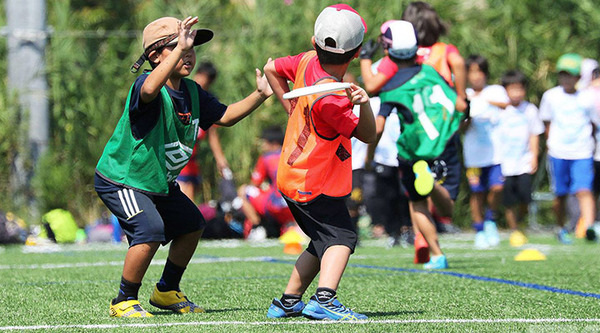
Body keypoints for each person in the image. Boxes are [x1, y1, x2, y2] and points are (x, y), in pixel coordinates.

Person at [94, 16, 272, 317]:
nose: (188, 52)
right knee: (148, 229)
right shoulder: (147, 86)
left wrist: (260, 94)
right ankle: (123, 300)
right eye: (178, 46)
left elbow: (225, 116)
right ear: (155, 56)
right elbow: (150, 88)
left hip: (156, 183)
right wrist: (179, 49)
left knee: (192, 223)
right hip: (122, 180)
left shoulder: (191, 91)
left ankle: (166, 291)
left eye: (192, 46)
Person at [263, 4, 375, 321]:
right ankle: (325, 299)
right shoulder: (333, 100)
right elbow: (368, 134)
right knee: (343, 237)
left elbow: (271, 68)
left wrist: (292, 107)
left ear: (316, 42)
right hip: (312, 182)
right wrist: (363, 104)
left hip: (293, 174)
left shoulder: (306, 60)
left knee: (323, 239)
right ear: (354, 54)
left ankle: (287, 300)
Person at [372, 20, 466, 269]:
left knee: (418, 203)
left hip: (412, 150)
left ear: (388, 50)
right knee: (447, 209)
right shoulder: (430, 72)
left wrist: (368, 153)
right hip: (442, 142)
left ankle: (437, 254)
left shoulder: (391, 87)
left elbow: (379, 127)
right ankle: (433, 184)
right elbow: (454, 102)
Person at [539, 53, 596, 243]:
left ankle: (588, 227)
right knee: (560, 193)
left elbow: (594, 124)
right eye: (563, 74)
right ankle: (560, 226)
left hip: (582, 151)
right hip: (558, 151)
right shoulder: (551, 96)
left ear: (578, 77)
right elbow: (547, 123)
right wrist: (551, 143)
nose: (566, 79)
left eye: (570, 75)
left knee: (584, 189)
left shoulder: (588, 98)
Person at [463, 54, 508, 248]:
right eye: (471, 72)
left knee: (497, 188)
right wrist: (467, 115)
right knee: (477, 193)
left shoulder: (495, 91)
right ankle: (479, 229)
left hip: (495, 153)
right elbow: (461, 128)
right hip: (473, 156)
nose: (476, 77)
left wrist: (484, 101)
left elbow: (506, 104)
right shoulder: (463, 95)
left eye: (479, 72)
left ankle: (490, 219)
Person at [497, 70, 545, 247]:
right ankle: (514, 229)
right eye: (512, 89)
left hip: (524, 161)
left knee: (525, 198)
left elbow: (534, 134)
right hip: (505, 163)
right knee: (509, 200)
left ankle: (521, 225)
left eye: (520, 89)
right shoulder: (501, 110)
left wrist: (534, 157)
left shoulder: (530, 109)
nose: (516, 93)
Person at [177, 62, 229, 202]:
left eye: (206, 79)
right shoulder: (180, 91)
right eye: (200, 75)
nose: (201, 80)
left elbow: (212, 135)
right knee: (184, 196)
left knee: (191, 195)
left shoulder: (208, 101)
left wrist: (221, 160)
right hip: (177, 157)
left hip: (192, 158)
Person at [238, 126, 295, 240]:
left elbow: (255, 183)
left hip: (276, 206)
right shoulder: (294, 154)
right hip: (297, 206)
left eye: (264, 143)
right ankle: (292, 227)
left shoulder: (266, 158)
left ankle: (257, 227)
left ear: (273, 143)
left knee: (243, 191)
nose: (262, 146)